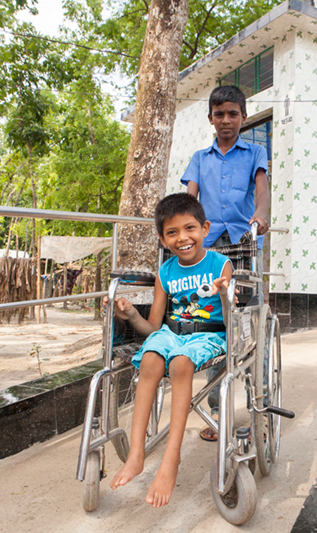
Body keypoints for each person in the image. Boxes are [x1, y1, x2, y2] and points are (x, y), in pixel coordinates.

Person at [106, 193, 232, 508]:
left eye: (189, 228)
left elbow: (230, 305)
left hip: (209, 334)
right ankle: (137, 453)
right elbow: (153, 325)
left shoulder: (220, 264)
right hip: (170, 332)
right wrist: (130, 314)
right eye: (172, 233)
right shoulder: (166, 273)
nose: (182, 238)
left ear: (204, 228)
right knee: (149, 359)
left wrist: (226, 290)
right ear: (163, 239)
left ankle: (171, 458)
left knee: (179, 364)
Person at [181, 85, 270, 442]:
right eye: (219, 115)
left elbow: (261, 194)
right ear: (210, 119)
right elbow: (188, 200)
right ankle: (216, 412)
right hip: (210, 249)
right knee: (214, 323)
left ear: (243, 117)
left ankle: (259, 408)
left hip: (244, 244)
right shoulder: (200, 158)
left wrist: (261, 215)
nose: (226, 120)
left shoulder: (255, 152)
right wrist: (182, 229)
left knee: (252, 322)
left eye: (233, 114)